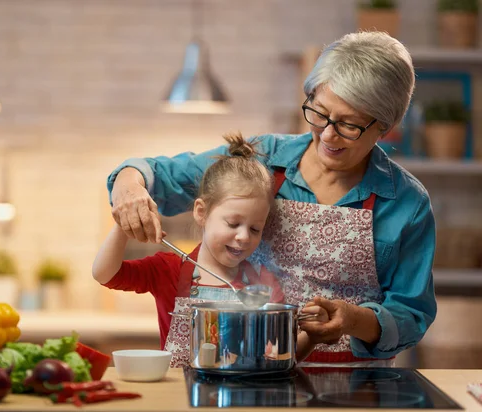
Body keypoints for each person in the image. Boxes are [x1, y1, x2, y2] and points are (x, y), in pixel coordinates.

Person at [106, 31, 437, 367]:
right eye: (319, 113)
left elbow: (411, 314)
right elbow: (157, 174)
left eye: (349, 125)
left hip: (351, 387)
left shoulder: (406, 203)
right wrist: (129, 187)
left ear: (386, 126)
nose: (327, 134)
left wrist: (353, 320)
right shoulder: (261, 158)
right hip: (246, 376)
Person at [93, 133, 329, 367]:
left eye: (256, 229)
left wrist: (312, 337)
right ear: (201, 212)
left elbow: (276, 356)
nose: (244, 236)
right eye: (233, 223)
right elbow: (105, 274)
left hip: (240, 400)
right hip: (181, 399)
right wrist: (124, 224)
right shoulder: (170, 269)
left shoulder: (263, 282)